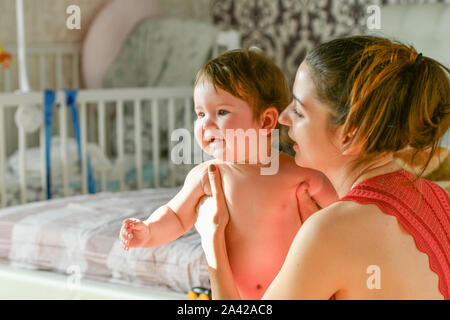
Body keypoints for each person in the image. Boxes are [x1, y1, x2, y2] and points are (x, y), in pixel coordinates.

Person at [196, 35, 450, 300]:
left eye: (300, 111)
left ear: (348, 134)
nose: (283, 118)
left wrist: (213, 246)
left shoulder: (329, 232)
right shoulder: (438, 198)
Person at [119, 48, 338, 299]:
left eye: (221, 112)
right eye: (200, 113)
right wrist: (148, 230)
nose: (206, 124)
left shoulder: (298, 172)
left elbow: (343, 211)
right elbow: (176, 216)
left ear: (266, 122)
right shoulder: (207, 176)